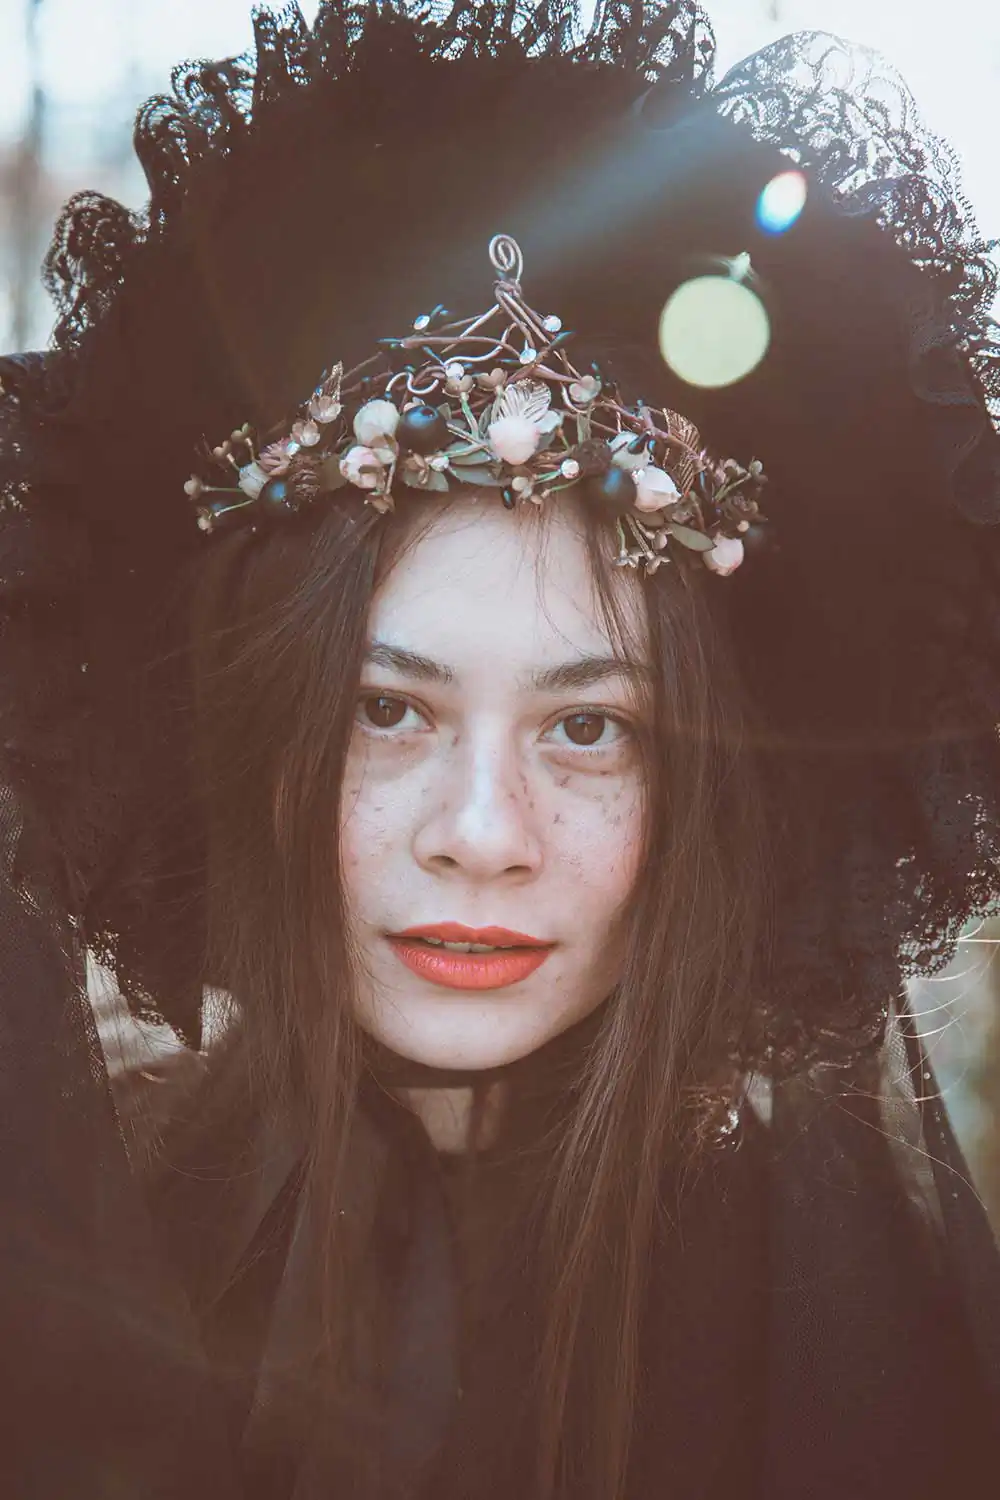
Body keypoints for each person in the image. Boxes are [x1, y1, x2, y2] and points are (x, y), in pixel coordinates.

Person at [1, 2, 999, 1497]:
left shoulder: (854, 1358)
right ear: (260, 733)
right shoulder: (73, 1261)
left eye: (589, 727)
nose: (480, 833)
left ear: (709, 785)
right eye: (386, 708)